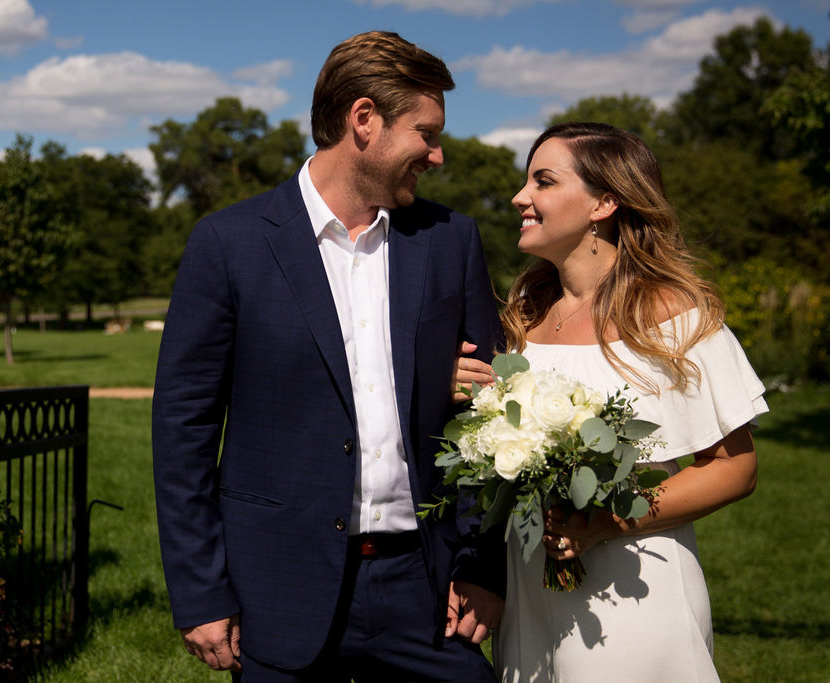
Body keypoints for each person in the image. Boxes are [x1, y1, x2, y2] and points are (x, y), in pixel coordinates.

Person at [152, 31, 506, 681]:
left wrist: (482, 567)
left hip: (426, 592)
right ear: (364, 120)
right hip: (276, 593)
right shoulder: (228, 244)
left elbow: (492, 424)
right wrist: (201, 591)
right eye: (425, 134)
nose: (438, 154)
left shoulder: (452, 241)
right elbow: (183, 433)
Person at [454, 121, 767, 681]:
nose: (519, 197)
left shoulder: (672, 318)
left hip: (632, 589)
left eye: (542, 181)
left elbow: (733, 468)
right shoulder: (524, 318)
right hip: (530, 588)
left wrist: (601, 525)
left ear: (604, 202)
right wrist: (470, 392)